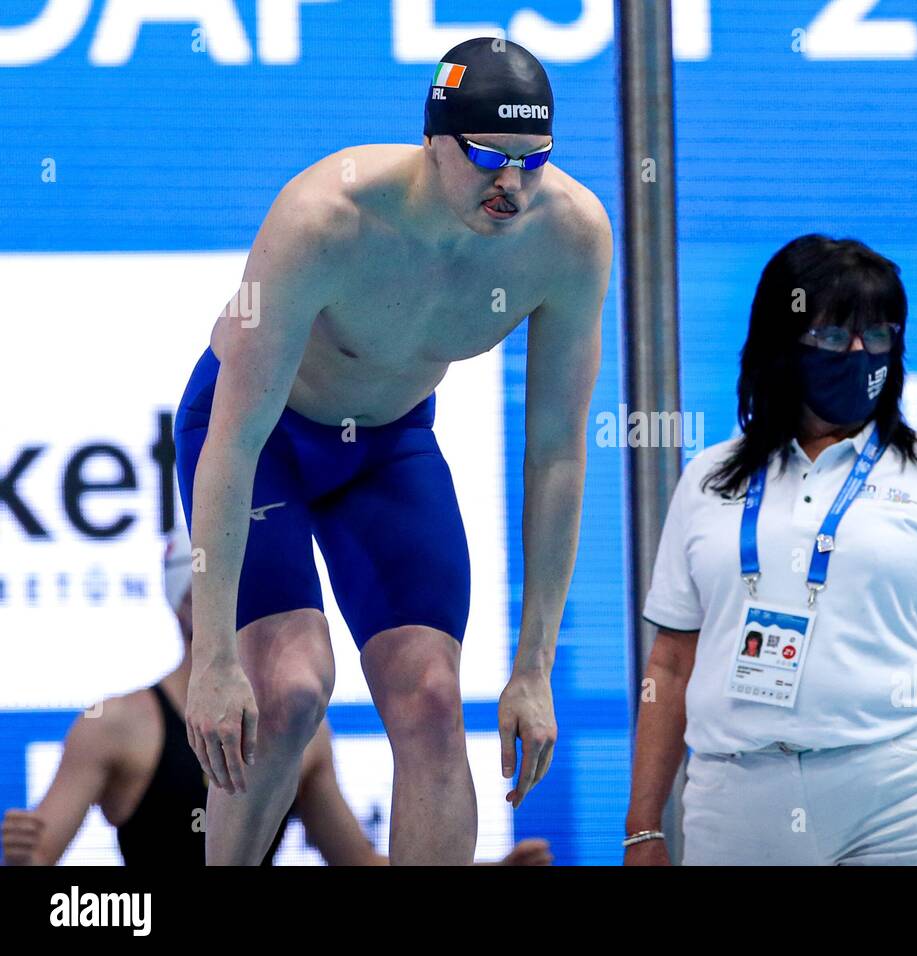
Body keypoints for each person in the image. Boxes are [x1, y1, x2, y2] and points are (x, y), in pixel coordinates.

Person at [172, 36, 610, 864]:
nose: (510, 186)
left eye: (532, 160)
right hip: (263, 440)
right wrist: (214, 656)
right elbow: (230, 438)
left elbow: (556, 454)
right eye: (488, 158)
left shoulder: (571, 238)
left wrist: (534, 666)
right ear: (434, 142)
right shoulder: (325, 217)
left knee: (434, 700)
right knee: (288, 688)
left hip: (389, 445)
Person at [624, 235, 917, 866]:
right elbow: (671, 664)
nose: (861, 354)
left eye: (880, 335)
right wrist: (644, 827)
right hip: (737, 796)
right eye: (835, 337)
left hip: (900, 792)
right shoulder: (708, 480)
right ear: (780, 346)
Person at [1, 527, 555, 867]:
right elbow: (45, 861)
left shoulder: (304, 729)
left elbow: (356, 862)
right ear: (186, 605)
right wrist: (25, 854)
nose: (238, 607)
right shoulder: (117, 725)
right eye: (218, 592)